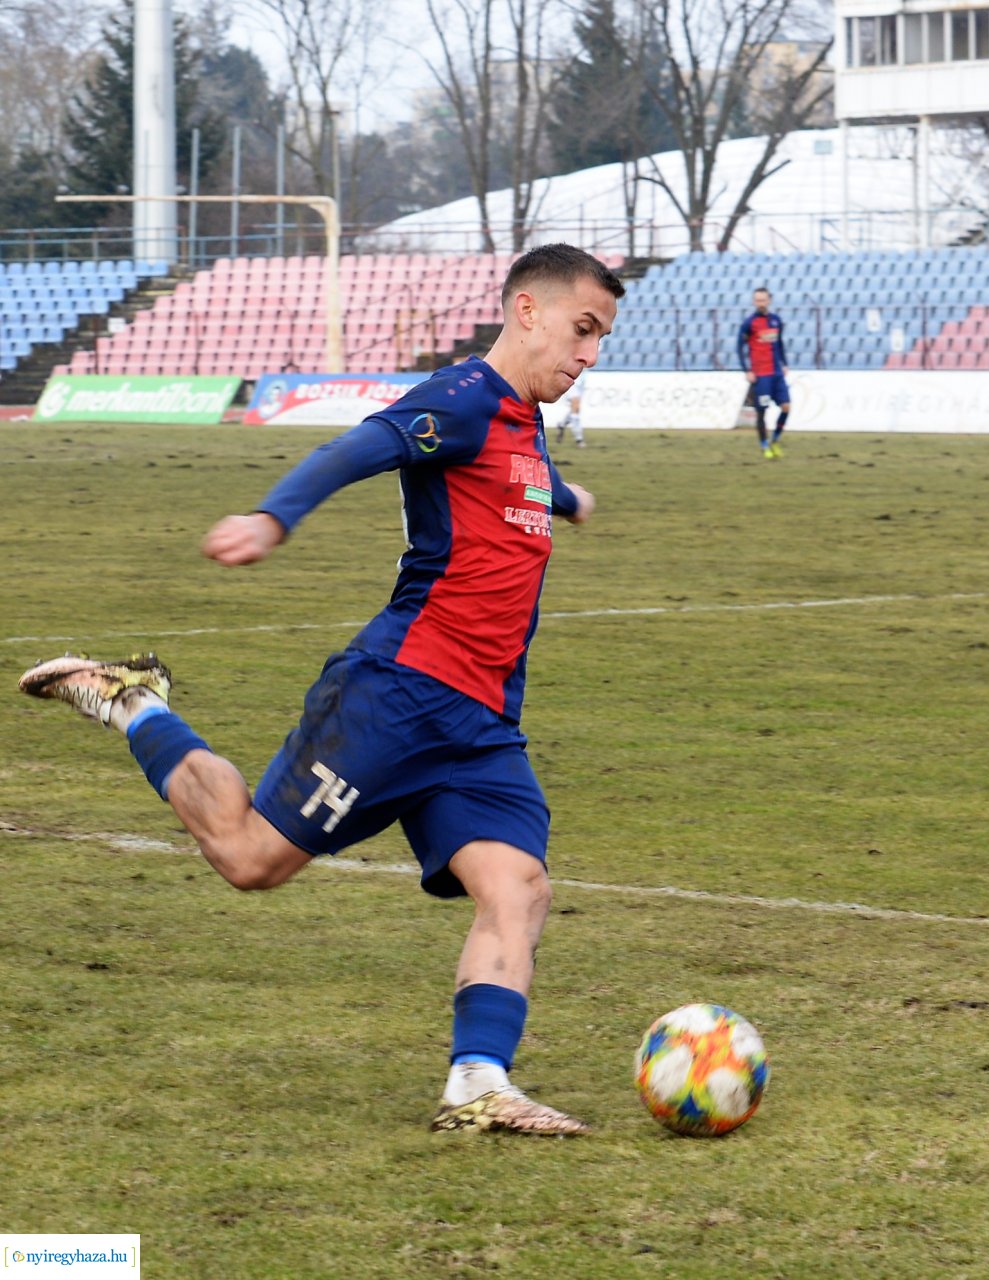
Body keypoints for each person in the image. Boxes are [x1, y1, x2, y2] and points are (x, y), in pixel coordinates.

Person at [17, 243, 625, 1135]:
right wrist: (274, 515)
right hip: (400, 696)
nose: (590, 353)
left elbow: (512, 487)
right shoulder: (459, 400)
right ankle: (134, 701)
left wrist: (565, 498)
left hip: (484, 725)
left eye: (602, 337)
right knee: (250, 859)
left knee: (519, 886)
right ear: (527, 311)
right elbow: (362, 446)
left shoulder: (525, 423)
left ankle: (478, 1085)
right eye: (583, 329)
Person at [738, 287, 790, 459]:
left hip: (776, 373)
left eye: (763, 300)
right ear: (754, 302)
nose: (760, 303)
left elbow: (779, 344)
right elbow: (739, 347)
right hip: (762, 375)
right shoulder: (749, 323)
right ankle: (764, 445)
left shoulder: (776, 321)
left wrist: (784, 364)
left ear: (769, 301)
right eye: (757, 300)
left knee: (786, 407)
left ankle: (774, 440)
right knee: (763, 411)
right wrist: (747, 370)